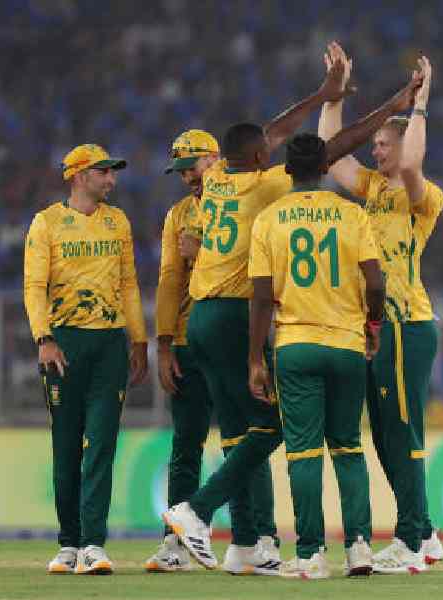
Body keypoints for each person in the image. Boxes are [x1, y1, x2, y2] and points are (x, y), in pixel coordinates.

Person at [163, 55, 423, 573]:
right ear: (260, 157)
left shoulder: (214, 179)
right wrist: (390, 106)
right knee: (279, 426)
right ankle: (197, 510)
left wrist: (324, 93)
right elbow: (335, 146)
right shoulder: (268, 186)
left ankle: (248, 544)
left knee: (238, 428)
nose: (273, 149)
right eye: (267, 150)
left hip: (203, 317)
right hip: (242, 315)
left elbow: (275, 130)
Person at [318, 44, 443, 572]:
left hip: (405, 324)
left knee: (402, 432)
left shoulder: (422, 194)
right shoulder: (371, 190)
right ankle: (427, 533)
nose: (376, 152)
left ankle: (411, 541)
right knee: (389, 434)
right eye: (373, 144)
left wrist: (421, 102)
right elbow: (328, 153)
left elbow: (413, 161)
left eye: (383, 144)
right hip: (377, 328)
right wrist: (334, 94)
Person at [248, 132, 384, 580]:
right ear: (326, 168)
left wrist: (255, 360)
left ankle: (310, 555)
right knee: (347, 447)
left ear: (287, 170)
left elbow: (262, 299)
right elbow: (377, 284)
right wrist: (373, 326)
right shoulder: (352, 214)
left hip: (296, 345)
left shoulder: (268, 219)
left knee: (304, 453)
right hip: (346, 344)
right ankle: (361, 548)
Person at [146, 129, 278, 571]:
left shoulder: (245, 200)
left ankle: (258, 535)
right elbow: (168, 281)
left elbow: (249, 261)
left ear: (216, 161)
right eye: (181, 171)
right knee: (188, 444)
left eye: (192, 166)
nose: (187, 177)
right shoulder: (179, 215)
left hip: (226, 332)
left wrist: (202, 252)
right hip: (190, 341)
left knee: (240, 439)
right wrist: (163, 345)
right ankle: (177, 544)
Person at [24, 144, 148, 574]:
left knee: (101, 446)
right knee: (66, 447)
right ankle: (68, 544)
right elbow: (34, 287)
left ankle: (93, 544)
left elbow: (129, 285)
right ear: (79, 176)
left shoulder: (118, 222)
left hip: (110, 345)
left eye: (112, 172)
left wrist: (139, 340)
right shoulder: (47, 224)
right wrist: (43, 338)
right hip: (64, 346)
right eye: (103, 172)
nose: (111, 179)